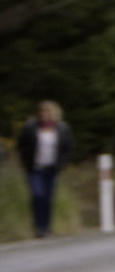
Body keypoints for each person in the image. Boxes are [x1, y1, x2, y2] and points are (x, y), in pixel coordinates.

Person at [17, 101, 74, 237]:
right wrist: (25, 161)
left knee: (48, 198)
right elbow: (22, 145)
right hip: (35, 168)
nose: (44, 114)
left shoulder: (61, 128)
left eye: (47, 111)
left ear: (53, 113)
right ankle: (38, 227)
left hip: (52, 168)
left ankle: (46, 227)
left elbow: (67, 147)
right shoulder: (31, 127)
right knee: (37, 195)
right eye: (42, 111)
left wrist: (62, 163)